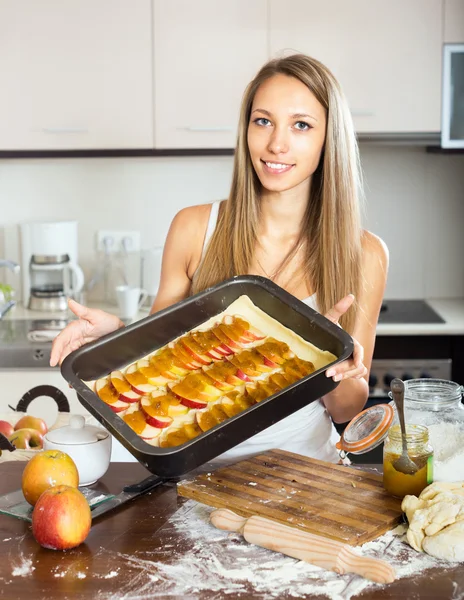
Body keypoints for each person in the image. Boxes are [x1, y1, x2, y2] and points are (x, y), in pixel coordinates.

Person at [50, 53, 388, 464]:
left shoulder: (365, 254)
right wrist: (114, 336)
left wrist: (332, 361)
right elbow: (160, 356)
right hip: (196, 481)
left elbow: (348, 409)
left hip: (307, 474)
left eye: (301, 125)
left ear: (327, 138)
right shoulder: (194, 228)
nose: (276, 143)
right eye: (263, 121)